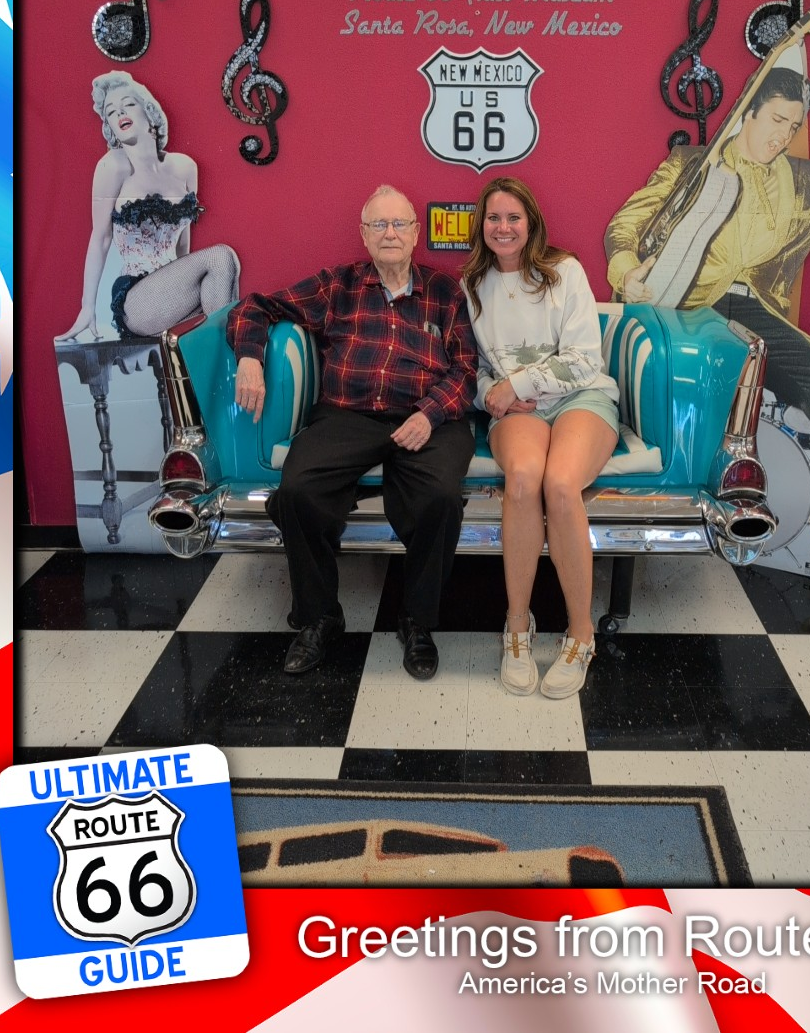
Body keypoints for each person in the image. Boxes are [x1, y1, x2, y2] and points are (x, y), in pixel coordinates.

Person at [604, 66, 810, 576]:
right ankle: (661, 522)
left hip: (757, 310)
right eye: (775, 120)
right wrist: (626, 271)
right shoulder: (692, 164)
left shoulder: (809, 182)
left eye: (793, 126)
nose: (782, 136)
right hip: (686, 306)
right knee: (675, 406)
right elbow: (626, 223)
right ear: (748, 114)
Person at [229, 186, 477, 679]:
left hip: (424, 415)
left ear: (416, 233)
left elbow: (467, 370)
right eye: (378, 225)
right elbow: (254, 307)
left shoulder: (445, 291)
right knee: (298, 492)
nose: (390, 233)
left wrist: (429, 413)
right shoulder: (336, 286)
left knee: (440, 498)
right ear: (364, 235)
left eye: (399, 224)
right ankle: (319, 617)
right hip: (348, 414)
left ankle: (417, 620)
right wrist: (250, 357)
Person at [462, 177, 620, 699]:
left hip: (580, 397)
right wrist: (494, 394)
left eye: (513, 218)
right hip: (516, 408)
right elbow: (474, 368)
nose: (503, 227)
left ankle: (581, 634)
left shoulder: (564, 271)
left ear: (531, 223)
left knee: (560, 484)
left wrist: (517, 383)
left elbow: (584, 361)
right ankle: (517, 626)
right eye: (493, 218)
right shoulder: (472, 284)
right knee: (525, 479)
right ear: (481, 225)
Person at [57, 71, 240, 342]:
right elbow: (101, 238)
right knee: (221, 256)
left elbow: (183, 245)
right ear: (110, 127)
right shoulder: (113, 166)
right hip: (136, 299)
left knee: (228, 267)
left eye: (128, 104)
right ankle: (227, 358)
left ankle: (218, 360)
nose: (120, 113)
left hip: (173, 293)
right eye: (111, 112)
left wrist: (188, 285)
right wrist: (87, 307)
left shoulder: (185, 167)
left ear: (149, 112)